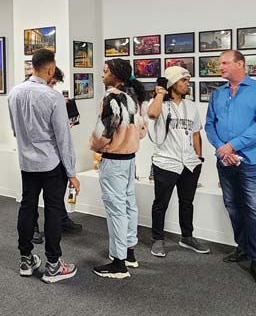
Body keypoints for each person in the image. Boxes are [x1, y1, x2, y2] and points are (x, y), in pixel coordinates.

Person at [205, 50, 256, 288]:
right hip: (225, 160)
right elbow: (209, 125)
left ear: (240, 64)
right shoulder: (217, 93)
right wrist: (221, 149)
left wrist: (232, 146)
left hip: (252, 161)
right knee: (233, 206)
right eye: (220, 63)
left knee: (254, 209)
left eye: (225, 63)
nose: (221, 67)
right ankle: (243, 248)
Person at [8, 49, 80, 283]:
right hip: (50, 164)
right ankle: (53, 265)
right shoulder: (52, 96)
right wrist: (72, 172)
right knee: (53, 210)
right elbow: (63, 138)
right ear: (50, 70)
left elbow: (15, 130)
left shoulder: (14, 93)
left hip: (27, 163)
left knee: (27, 208)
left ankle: (26, 259)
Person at [88, 59, 147, 278]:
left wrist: (93, 146)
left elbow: (103, 132)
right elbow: (142, 131)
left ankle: (119, 263)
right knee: (129, 205)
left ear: (115, 74)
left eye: (105, 72)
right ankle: (129, 254)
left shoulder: (111, 97)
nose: (102, 76)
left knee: (116, 210)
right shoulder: (135, 97)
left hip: (113, 161)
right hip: (130, 160)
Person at [146, 66, 210, 258]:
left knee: (187, 202)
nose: (187, 84)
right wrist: (160, 93)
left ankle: (187, 237)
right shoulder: (159, 104)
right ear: (173, 83)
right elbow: (152, 114)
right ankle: (158, 239)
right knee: (161, 204)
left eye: (188, 81)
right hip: (166, 162)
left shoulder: (191, 106)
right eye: (184, 81)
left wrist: (199, 157)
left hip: (190, 163)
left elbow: (196, 133)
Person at [31, 67, 82, 245]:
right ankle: (33, 228)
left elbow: (59, 132)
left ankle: (62, 219)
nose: (52, 87)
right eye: (51, 83)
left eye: (54, 84)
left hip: (53, 156)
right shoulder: (30, 97)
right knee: (31, 196)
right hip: (35, 156)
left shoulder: (53, 98)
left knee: (55, 194)